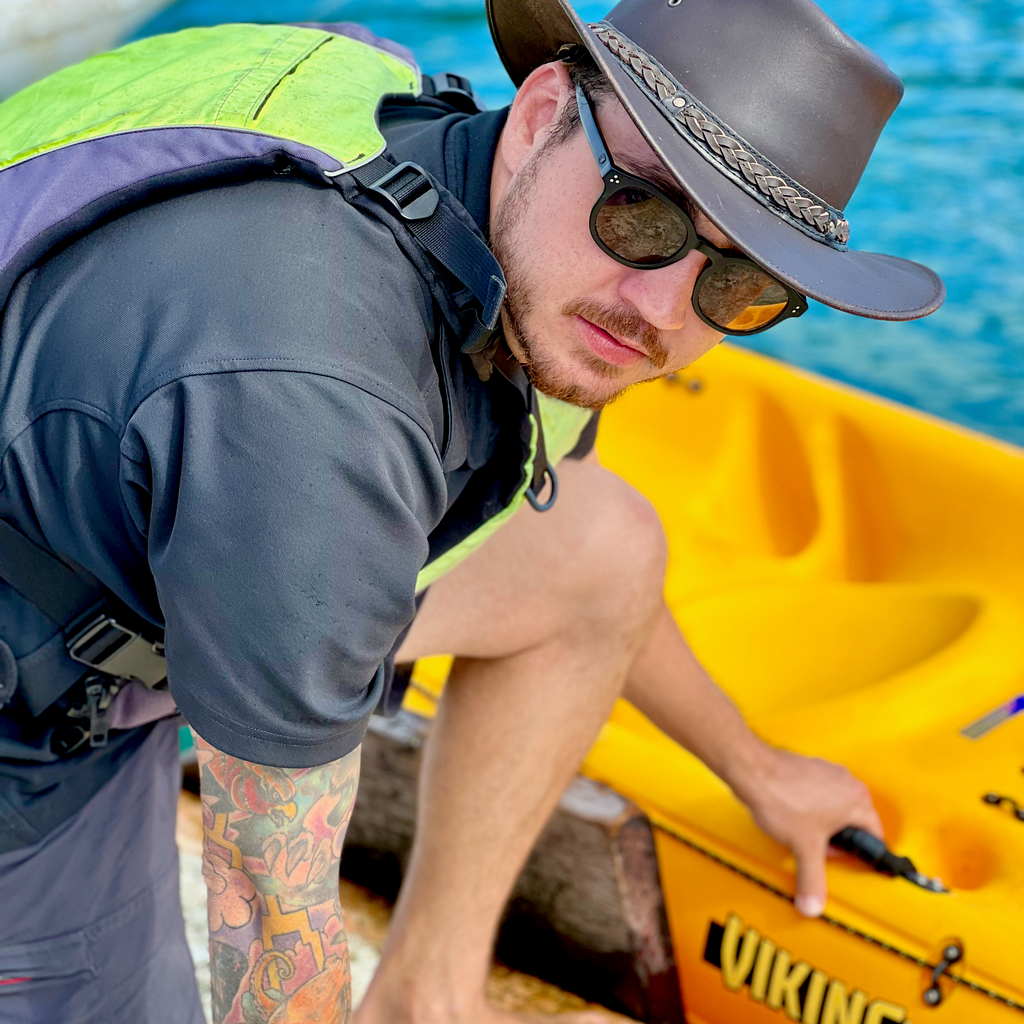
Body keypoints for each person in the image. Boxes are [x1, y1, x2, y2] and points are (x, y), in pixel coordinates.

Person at [0, 0, 943, 1021]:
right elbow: (271, 910)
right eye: (643, 215)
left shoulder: (420, 149)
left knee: (599, 548)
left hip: (112, 540)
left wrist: (756, 770)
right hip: (34, 716)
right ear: (542, 112)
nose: (664, 308)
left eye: (740, 285)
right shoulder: (317, 408)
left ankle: (427, 997)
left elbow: (577, 555)